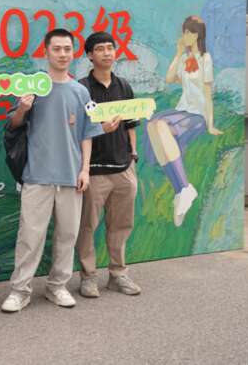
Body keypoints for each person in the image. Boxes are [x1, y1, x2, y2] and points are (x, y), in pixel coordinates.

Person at [1, 29, 108, 313]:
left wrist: (84, 170)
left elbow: (87, 134)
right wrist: (23, 108)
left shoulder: (81, 91)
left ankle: (57, 286)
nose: (62, 54)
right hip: (37, 175)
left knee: (67, 236)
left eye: (67, 49)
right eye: (57, 49)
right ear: (46, 52)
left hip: (71, 177)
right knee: (30, 237)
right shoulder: (34, 86)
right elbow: (13, 125)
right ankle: (19, 290)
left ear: (73, 53)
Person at [76, 31, 141, 298]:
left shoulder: (123, 86)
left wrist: (133, 155)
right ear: (89, 55)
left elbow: (131, 124)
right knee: (87, 227)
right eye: (100, 49)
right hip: (94, 172)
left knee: (121, 225)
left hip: (123, 168)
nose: (107, 53)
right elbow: (78, 129)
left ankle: (118, 274)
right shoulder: (81, 88)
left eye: (110, 48)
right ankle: (88, 277)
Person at [145, 16, 222, 227]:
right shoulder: (185, 58)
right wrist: (178, 53)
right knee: (152, 125)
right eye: (184, 32)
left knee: (161, 125)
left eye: (188, 32)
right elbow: (169, 79)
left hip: (197, 115)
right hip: (182, 111)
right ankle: (182, 190)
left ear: (196, 35)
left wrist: (210, 124)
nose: (184, 36)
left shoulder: (205, 59)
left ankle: (184, 190)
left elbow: (207, 94)